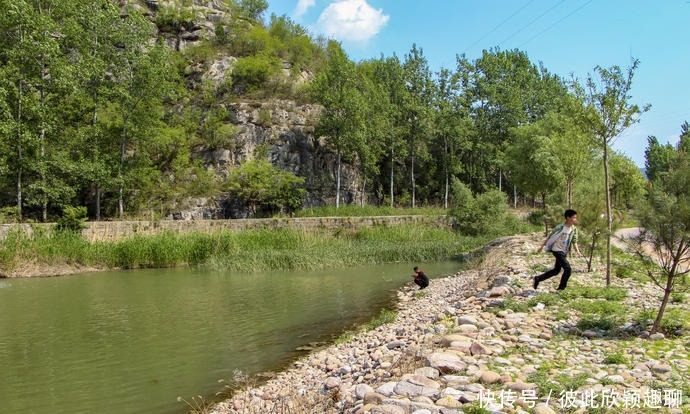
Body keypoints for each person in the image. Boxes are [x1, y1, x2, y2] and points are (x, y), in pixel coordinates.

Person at [533, 209, 584, 291]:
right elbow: (550, 236)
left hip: (564, 251)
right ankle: (561, 288)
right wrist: (541, 246)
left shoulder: (574, 229)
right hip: (556, 250)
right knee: (568, 269)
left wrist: (578, 252)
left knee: (556, 270)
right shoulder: (560, 227)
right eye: (574, 218)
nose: (575, 220)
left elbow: (574, 241)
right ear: (568, 218)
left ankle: (538, 279)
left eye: (575, 218)